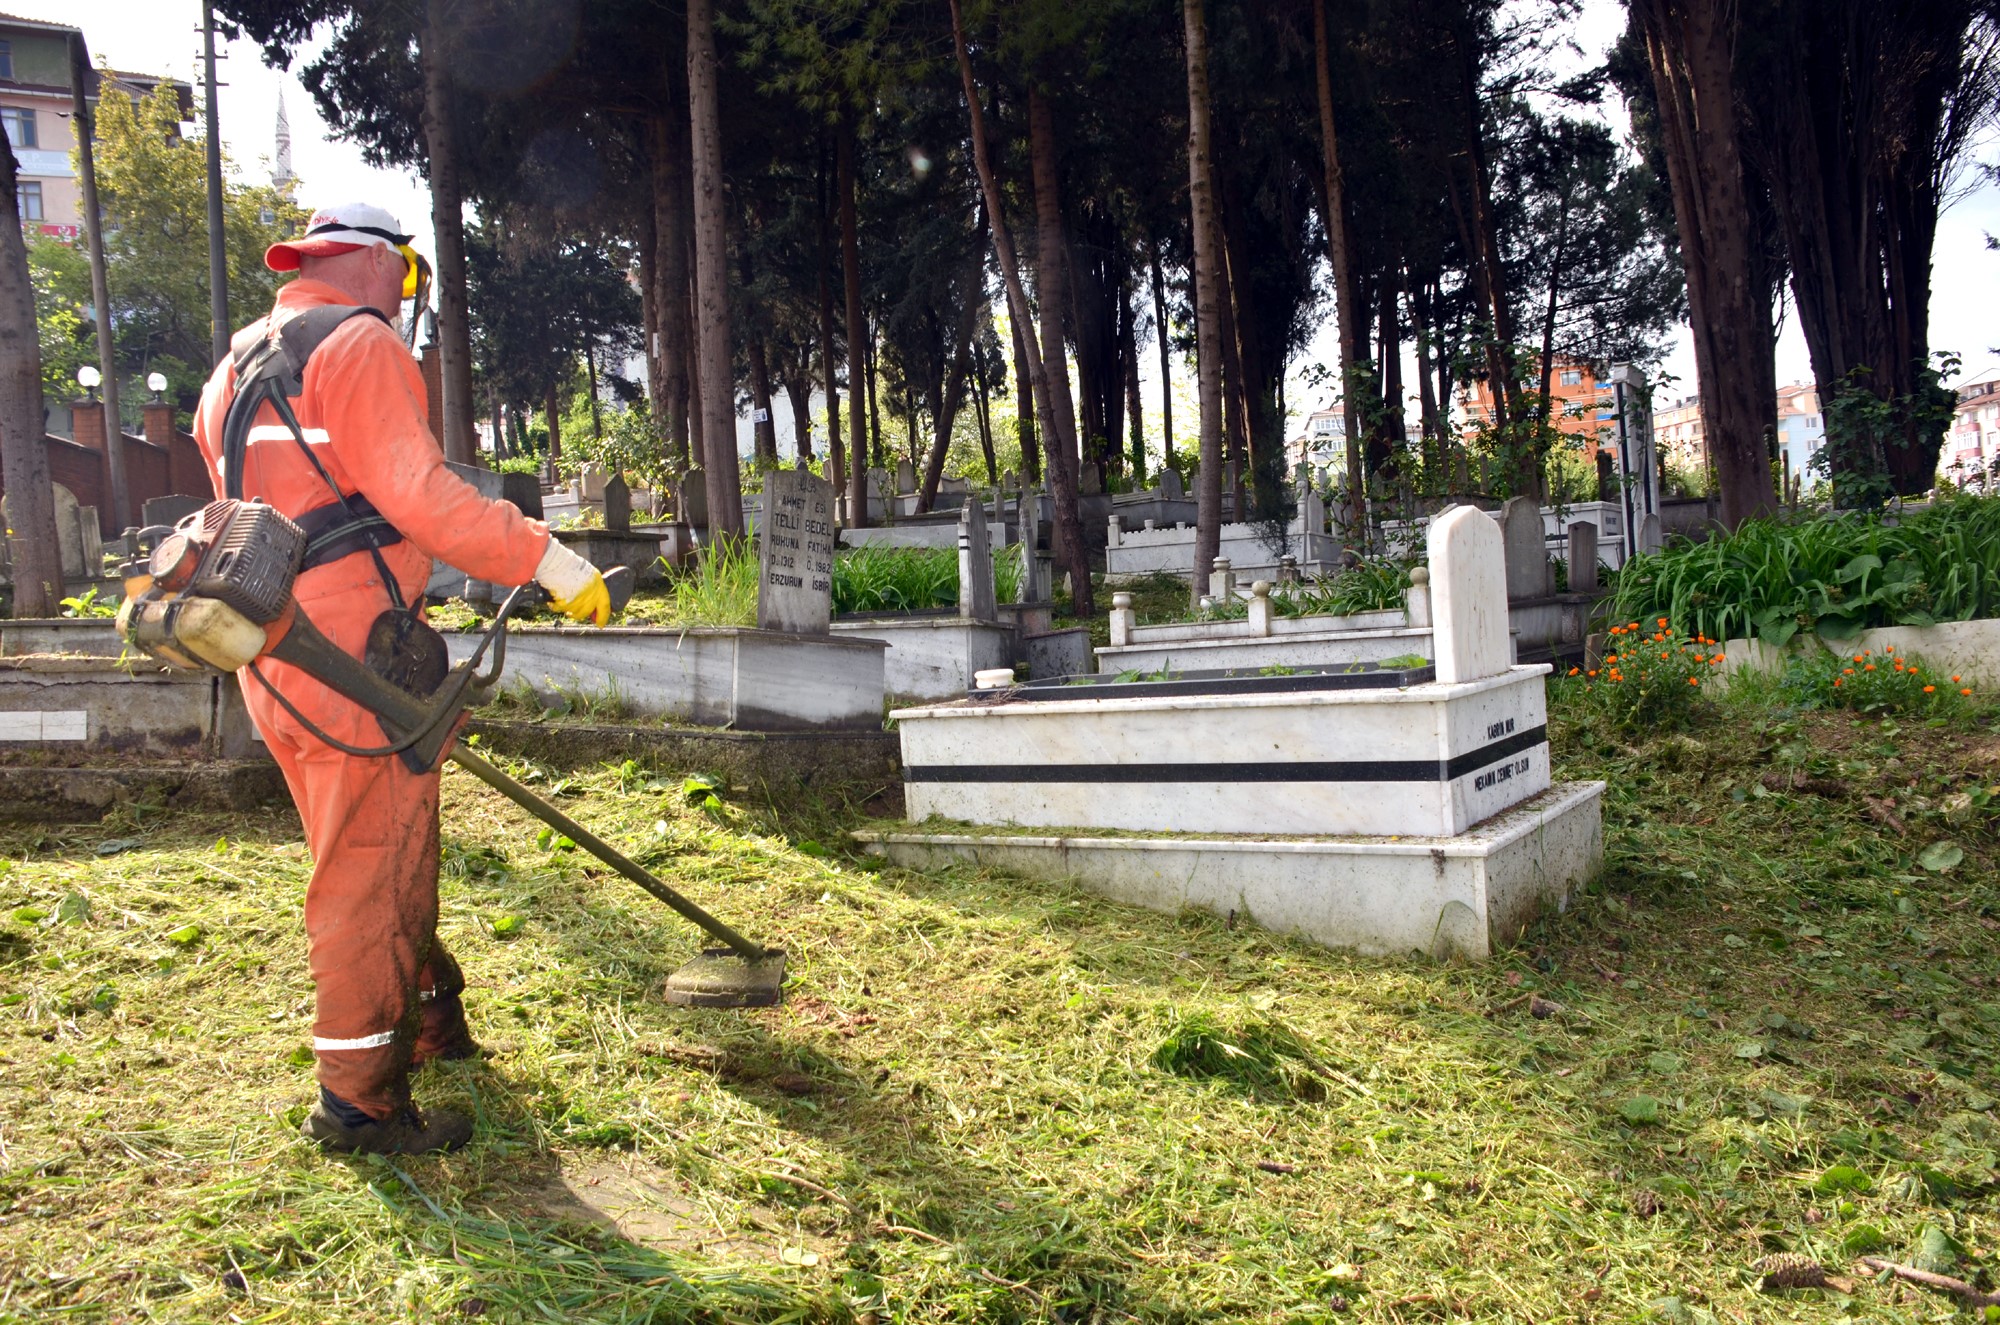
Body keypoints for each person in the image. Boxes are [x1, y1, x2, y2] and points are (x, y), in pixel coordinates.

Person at [192, 203, 610, 1154]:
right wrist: (546, 560)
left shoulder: (235, 365)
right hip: (355, 659)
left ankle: (427, 1019)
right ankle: (360, 1103)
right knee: (366, 867)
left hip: (277, 650)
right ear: (374, 265)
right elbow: (420, 496)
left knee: (376, 842)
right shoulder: (359, 343)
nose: (407, 302)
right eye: (409, 280)